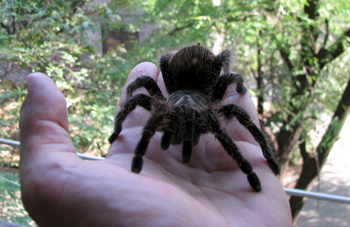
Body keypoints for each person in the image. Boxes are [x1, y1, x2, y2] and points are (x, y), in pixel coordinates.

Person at [19, 62, 293, 227]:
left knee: (237, 118)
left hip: (200, 97)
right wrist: (120, 132)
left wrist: (238, 84)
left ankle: (253, 163)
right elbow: (137, 94)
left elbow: (229, 78)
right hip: (180, 95)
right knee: (138, 100)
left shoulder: (212, 106)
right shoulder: (160, 104)